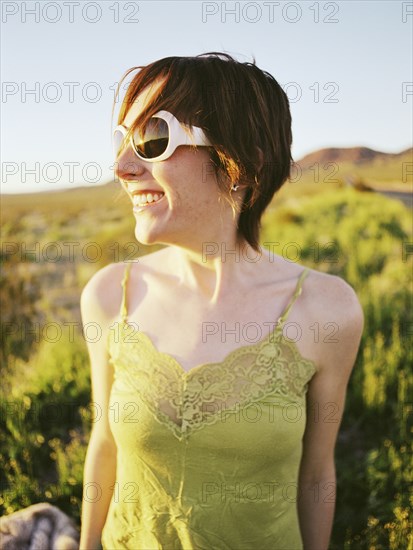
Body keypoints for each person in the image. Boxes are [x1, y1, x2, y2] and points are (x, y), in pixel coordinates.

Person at [78, 52, 364, 550]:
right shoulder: (109, 295)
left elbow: (316, 473)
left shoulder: (327, 311)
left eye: (152, 138)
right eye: (123, 139)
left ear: (242, 163)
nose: (122, 166)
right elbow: (104, 446)